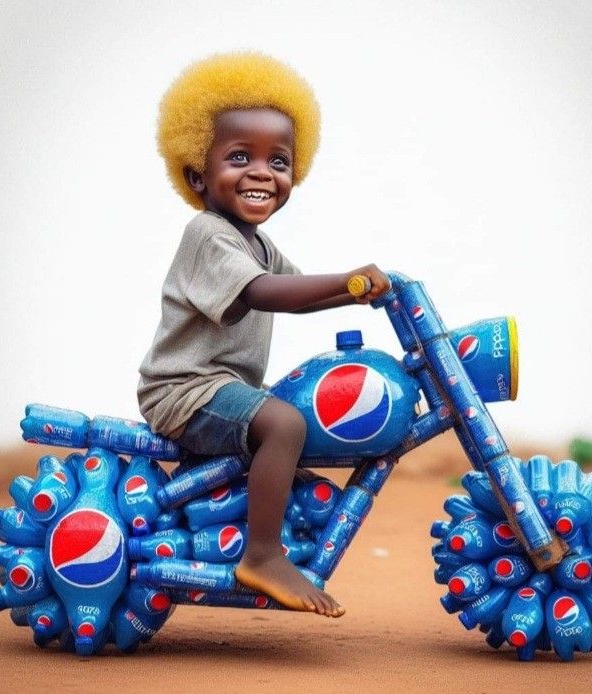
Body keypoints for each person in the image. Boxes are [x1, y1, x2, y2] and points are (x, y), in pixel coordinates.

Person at [138, 52, 391, 617]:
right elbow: (264, 293)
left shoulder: (258, 244)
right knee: (285, 421)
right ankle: (263, 555)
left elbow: (299, 294)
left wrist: (368, 292)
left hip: (218, 388)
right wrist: (350, 280)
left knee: (294, 410)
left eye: (278, 160)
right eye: (238, 157)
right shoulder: (208, 233)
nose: (261, 172)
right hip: (185, 389)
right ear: (197, 173)